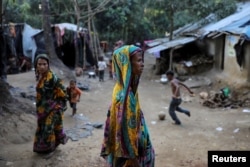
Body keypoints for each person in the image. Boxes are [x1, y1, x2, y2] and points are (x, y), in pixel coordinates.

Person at [101, 45, 155, 167]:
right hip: (131, 155)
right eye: (138, 60)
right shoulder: (125, 97)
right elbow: (125, 132)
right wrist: (134, 161)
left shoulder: (121, 87)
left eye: (142, 60)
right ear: (127, 65)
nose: (142, 64)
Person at [33, 54, 68, 154]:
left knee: (48, 130)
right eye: (39, 64)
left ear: (48, 65)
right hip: (42, 109)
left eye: (44, 64)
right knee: (43, 128)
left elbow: (63, 92)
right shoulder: (39, 76)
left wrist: (58, 106)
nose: (42, 67)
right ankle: (44, 149)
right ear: (36, 65)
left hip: (52, 109)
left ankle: (49, 151)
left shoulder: (52, 78)